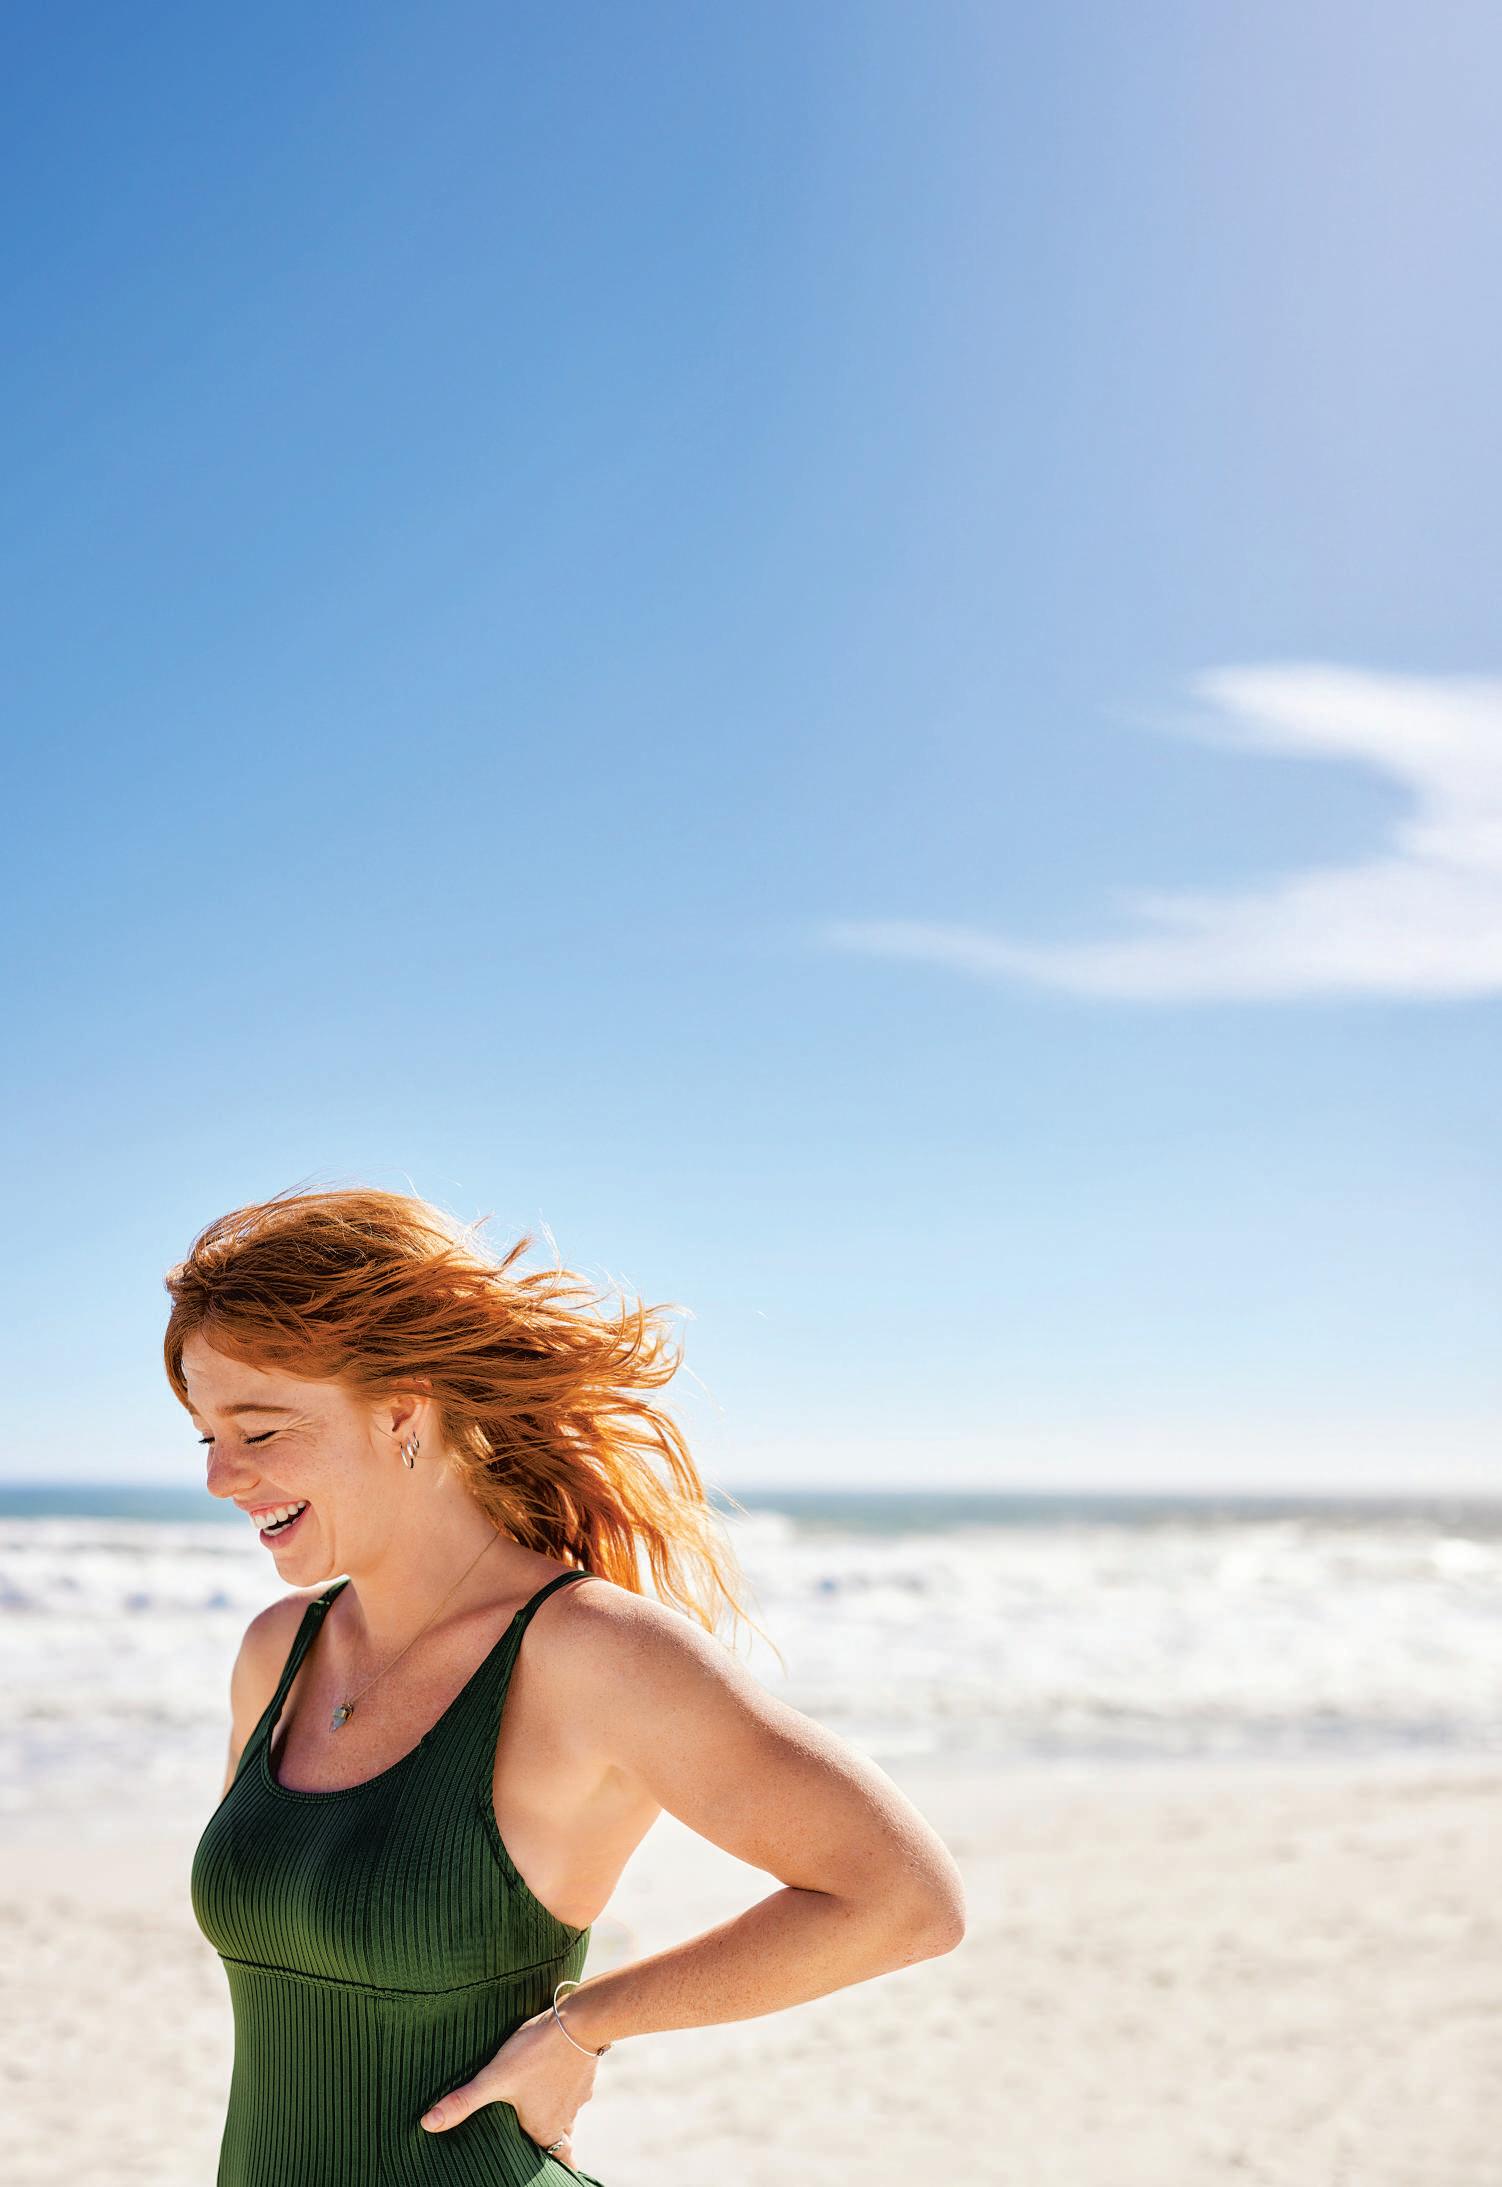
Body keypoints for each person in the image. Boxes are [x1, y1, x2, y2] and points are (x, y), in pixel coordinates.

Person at [172, 1185, 966, 2185]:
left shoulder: (591, 1653)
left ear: (402, 1410)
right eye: (207, 1437)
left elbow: (902, 1899)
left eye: (259, 1432)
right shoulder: (276, 1652)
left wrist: (585, 2024)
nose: (220, 1478)